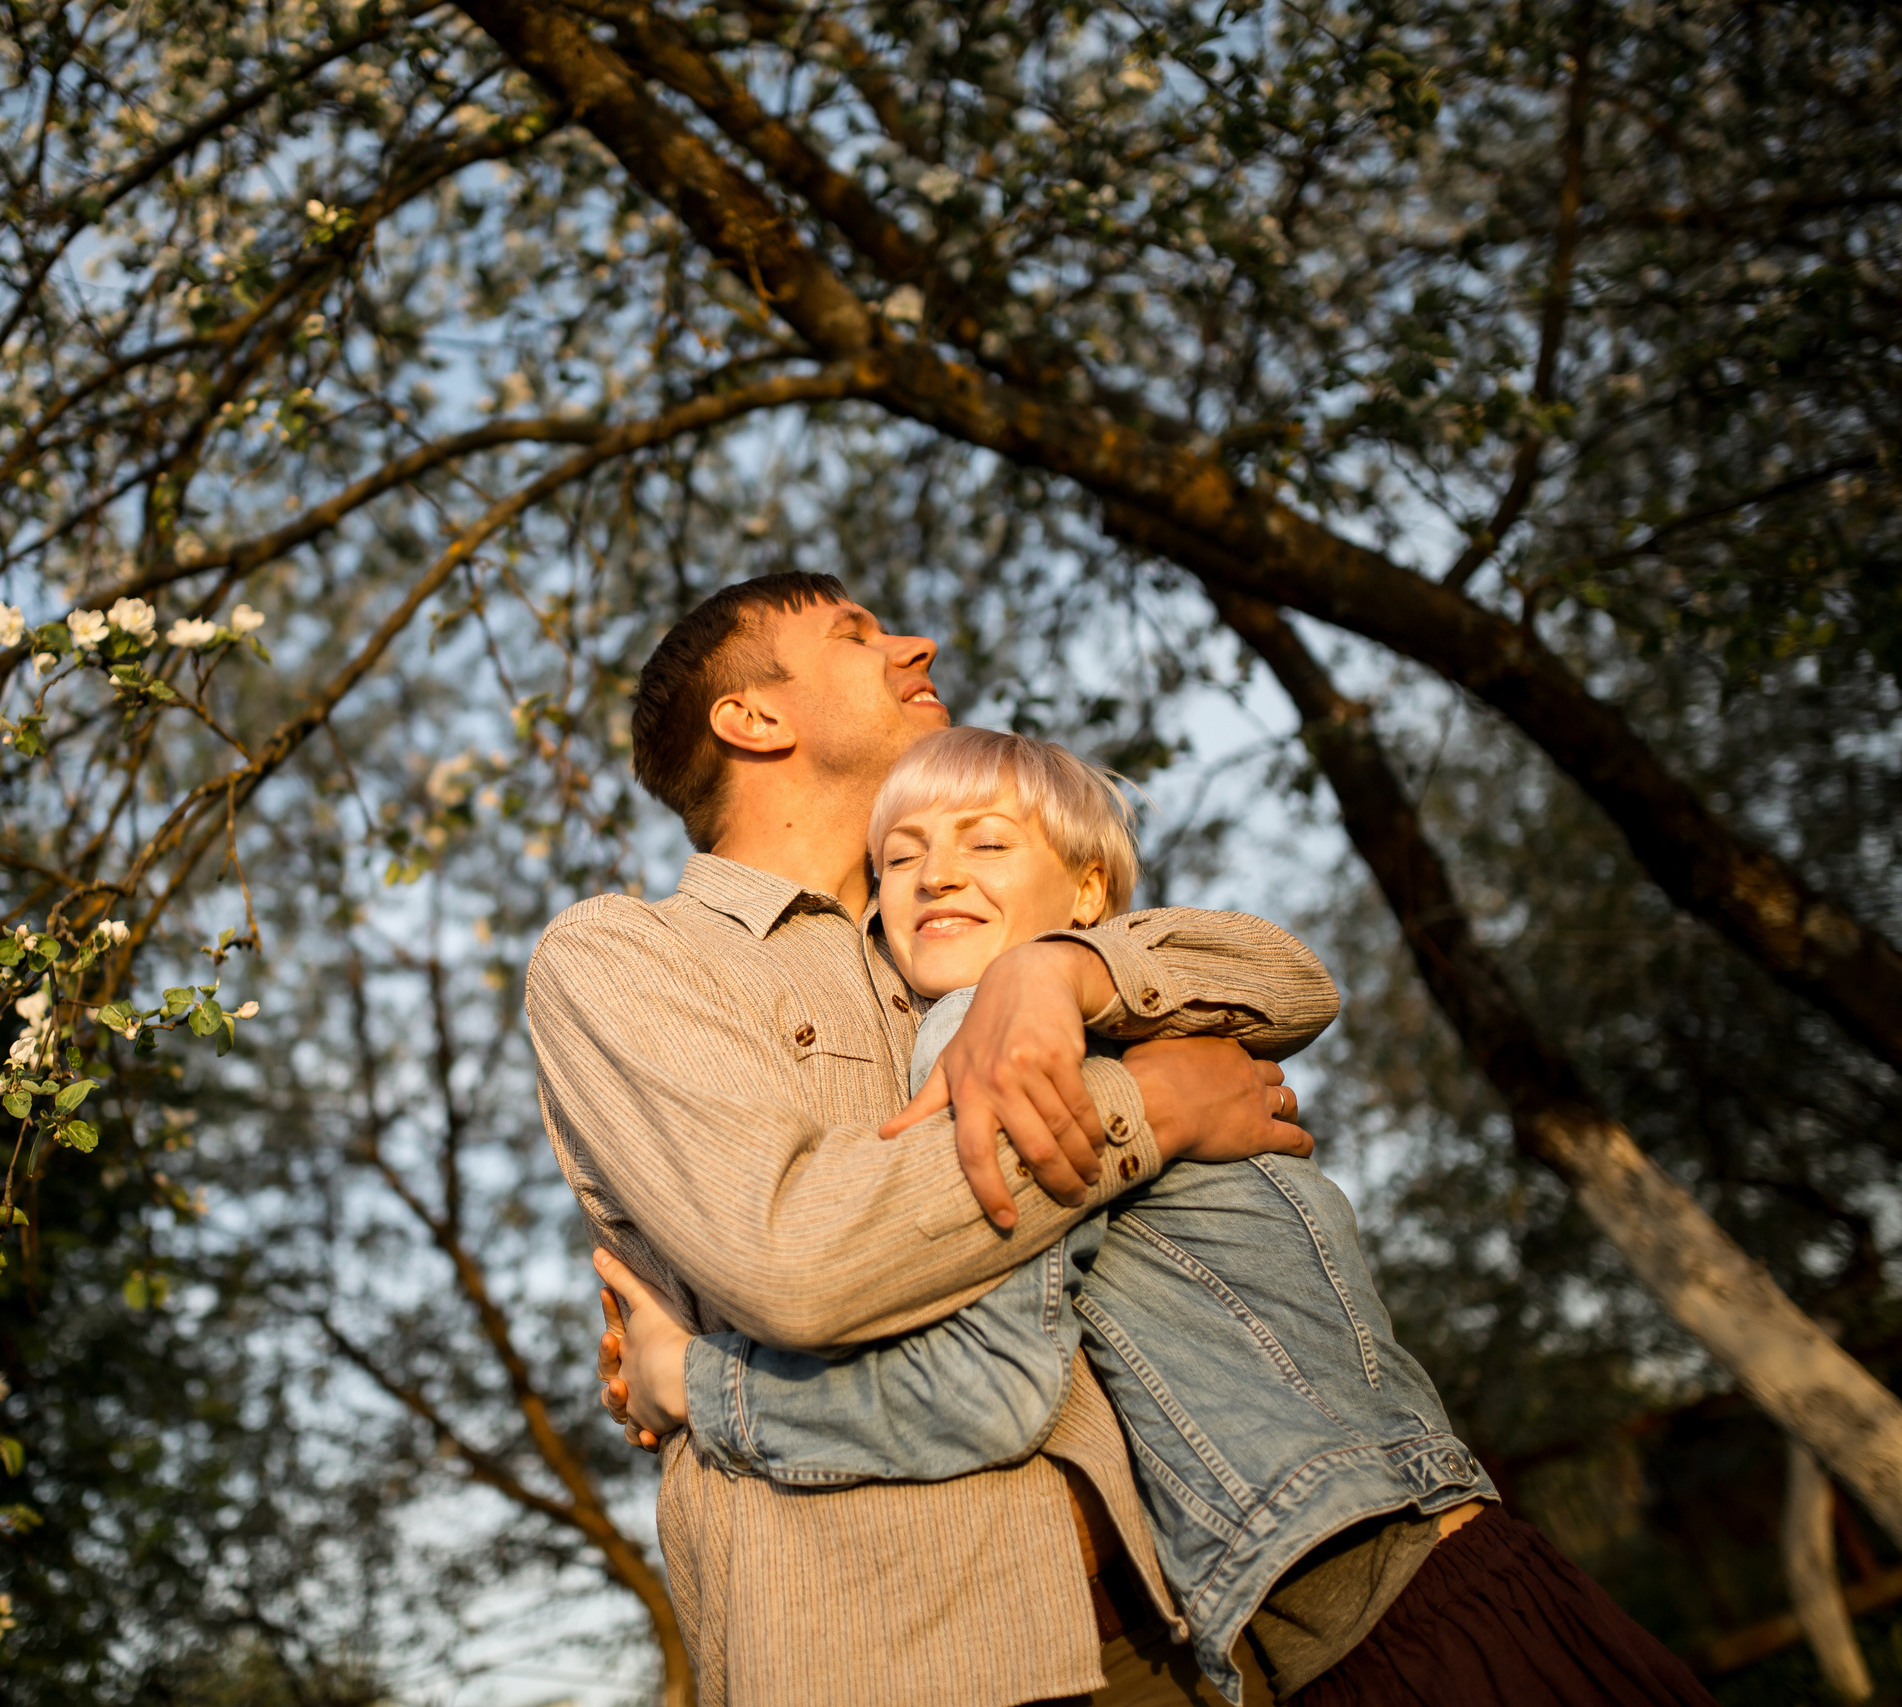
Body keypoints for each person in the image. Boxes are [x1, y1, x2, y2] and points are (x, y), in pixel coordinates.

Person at [597, 724, 1717, 1707]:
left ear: (1086, 894)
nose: (936, 877)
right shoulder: (1146, 1018)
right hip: (1426, 1565)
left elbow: (984, 1390)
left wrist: (693, 1383)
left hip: (1390, 1614)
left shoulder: (992, 1041)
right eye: (900, 859)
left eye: (986, 844)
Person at [528, 571, 1344, 1707]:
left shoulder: (959, 930)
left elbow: (1281, 983)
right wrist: (1148, 1108)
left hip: (1170, 1620)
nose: (917, 644)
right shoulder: (626, 955)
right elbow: (797, 1257)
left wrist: (1064, 970)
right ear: (752, 719)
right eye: (857, 635)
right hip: (896, 1659)